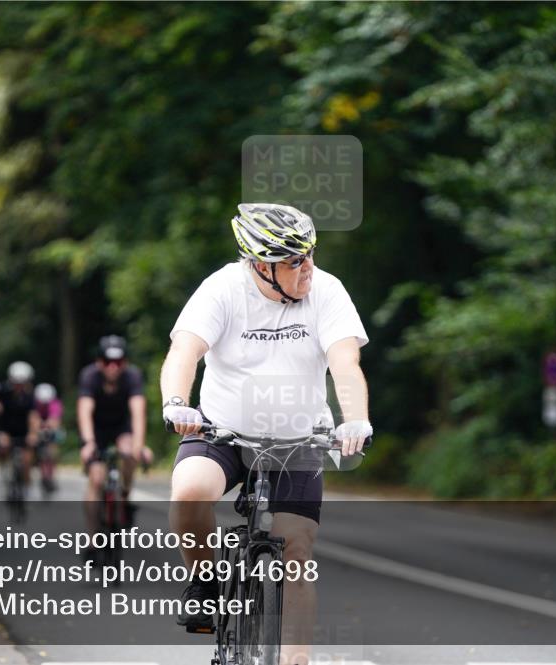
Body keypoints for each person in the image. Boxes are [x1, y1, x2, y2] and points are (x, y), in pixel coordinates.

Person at [161, 203, 372, 665]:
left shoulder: (328, 292)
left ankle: (296, 659)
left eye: (310, 255)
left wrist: (354, 419)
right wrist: (177, 404)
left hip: (298, 441)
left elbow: (345, 365)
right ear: (261, 266)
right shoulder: (222, 289)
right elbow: (184, 351)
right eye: (295, 261)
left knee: (296, 544)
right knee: (190, 491)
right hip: (221, 431)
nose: (308, 269)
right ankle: (204, 581)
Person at [77, 335, 149, 538]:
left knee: (129, 451)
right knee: (96, 479)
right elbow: (85, 411)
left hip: (121, 428)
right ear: (99, 362)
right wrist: (89, 443)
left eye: (118, 362)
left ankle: (124, 496)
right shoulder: (89, 376)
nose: (113, 367)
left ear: (124, 362)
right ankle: (92, 537)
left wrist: (139, 445)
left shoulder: (132, 376)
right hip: (96, 431)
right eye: (108, 362)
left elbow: (138, 412)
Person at [0, 361, 40, 490]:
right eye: (16, 382)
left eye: (22, 382)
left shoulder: (30, 396)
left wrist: (33, 434)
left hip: (24, 431)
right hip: (6, 429)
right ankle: (5, 467)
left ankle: (26, 487)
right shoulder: (2, 389)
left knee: (26, 460)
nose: (19, 385)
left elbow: (33, 416)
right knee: (3, 444)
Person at [33, 382, 63, 495]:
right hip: (38, 428)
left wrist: (48, 427)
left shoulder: (55, 403)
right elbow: (33, 418)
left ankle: (51, 474)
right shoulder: (34, 403)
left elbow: (55, 420)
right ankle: (40, 469)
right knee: (35, 445)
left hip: (51, 429)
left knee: (52, 450)